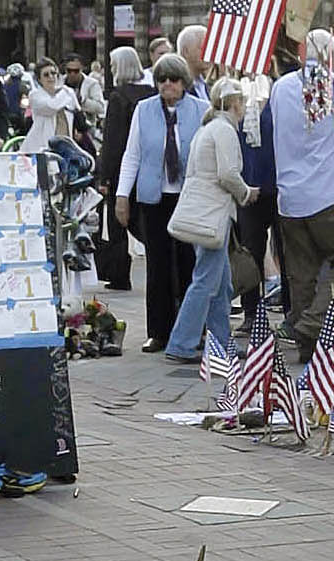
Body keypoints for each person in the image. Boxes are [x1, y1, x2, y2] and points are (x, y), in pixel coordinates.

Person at [266, 30, 334, 373]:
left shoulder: (280, 87)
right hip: (332, 192)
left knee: (302, 272)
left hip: (292, 196)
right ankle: (312, 325)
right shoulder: (333, 85)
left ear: (302, 52)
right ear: (333, 57)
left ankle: (307, 344)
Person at [116, 54, 204, 351]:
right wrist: (121, 196)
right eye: (162, 79)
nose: (167, 84)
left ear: (184, 83)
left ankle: (193, 328)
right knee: (157, 266)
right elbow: (132, 156)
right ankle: (159, 331)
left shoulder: (201, 110)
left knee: (189, 264)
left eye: (174, 79)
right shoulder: (144, 110)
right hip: (154, 198)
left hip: (189, 198)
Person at [164, 77, 251, 363]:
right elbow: (227, 174)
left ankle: (220, 341)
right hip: (213, 214)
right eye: (243, 102)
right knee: (205, 281)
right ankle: (182, 342)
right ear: (235, 103)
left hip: (205, 211)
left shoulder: (209, 127)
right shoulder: (224, 130)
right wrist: (247, 193)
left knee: (221, 283)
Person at [97, 44, 149, 285]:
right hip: (147, 166)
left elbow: (113, 139)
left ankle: (119, 274)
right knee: (144, 219)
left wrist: (104, 175)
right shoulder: (151, 93)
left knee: (118, 223)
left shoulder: (118, 97)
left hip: (122, 167)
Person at [26, 59, 91, 180]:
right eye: (46, 74)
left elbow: (78, 112)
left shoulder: (66, 93)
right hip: (43, 147)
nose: (51, 77)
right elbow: (52, 106)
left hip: (67, 147)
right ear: (39, 79)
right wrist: (66, 91)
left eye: (53, 73)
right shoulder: (35, 95)